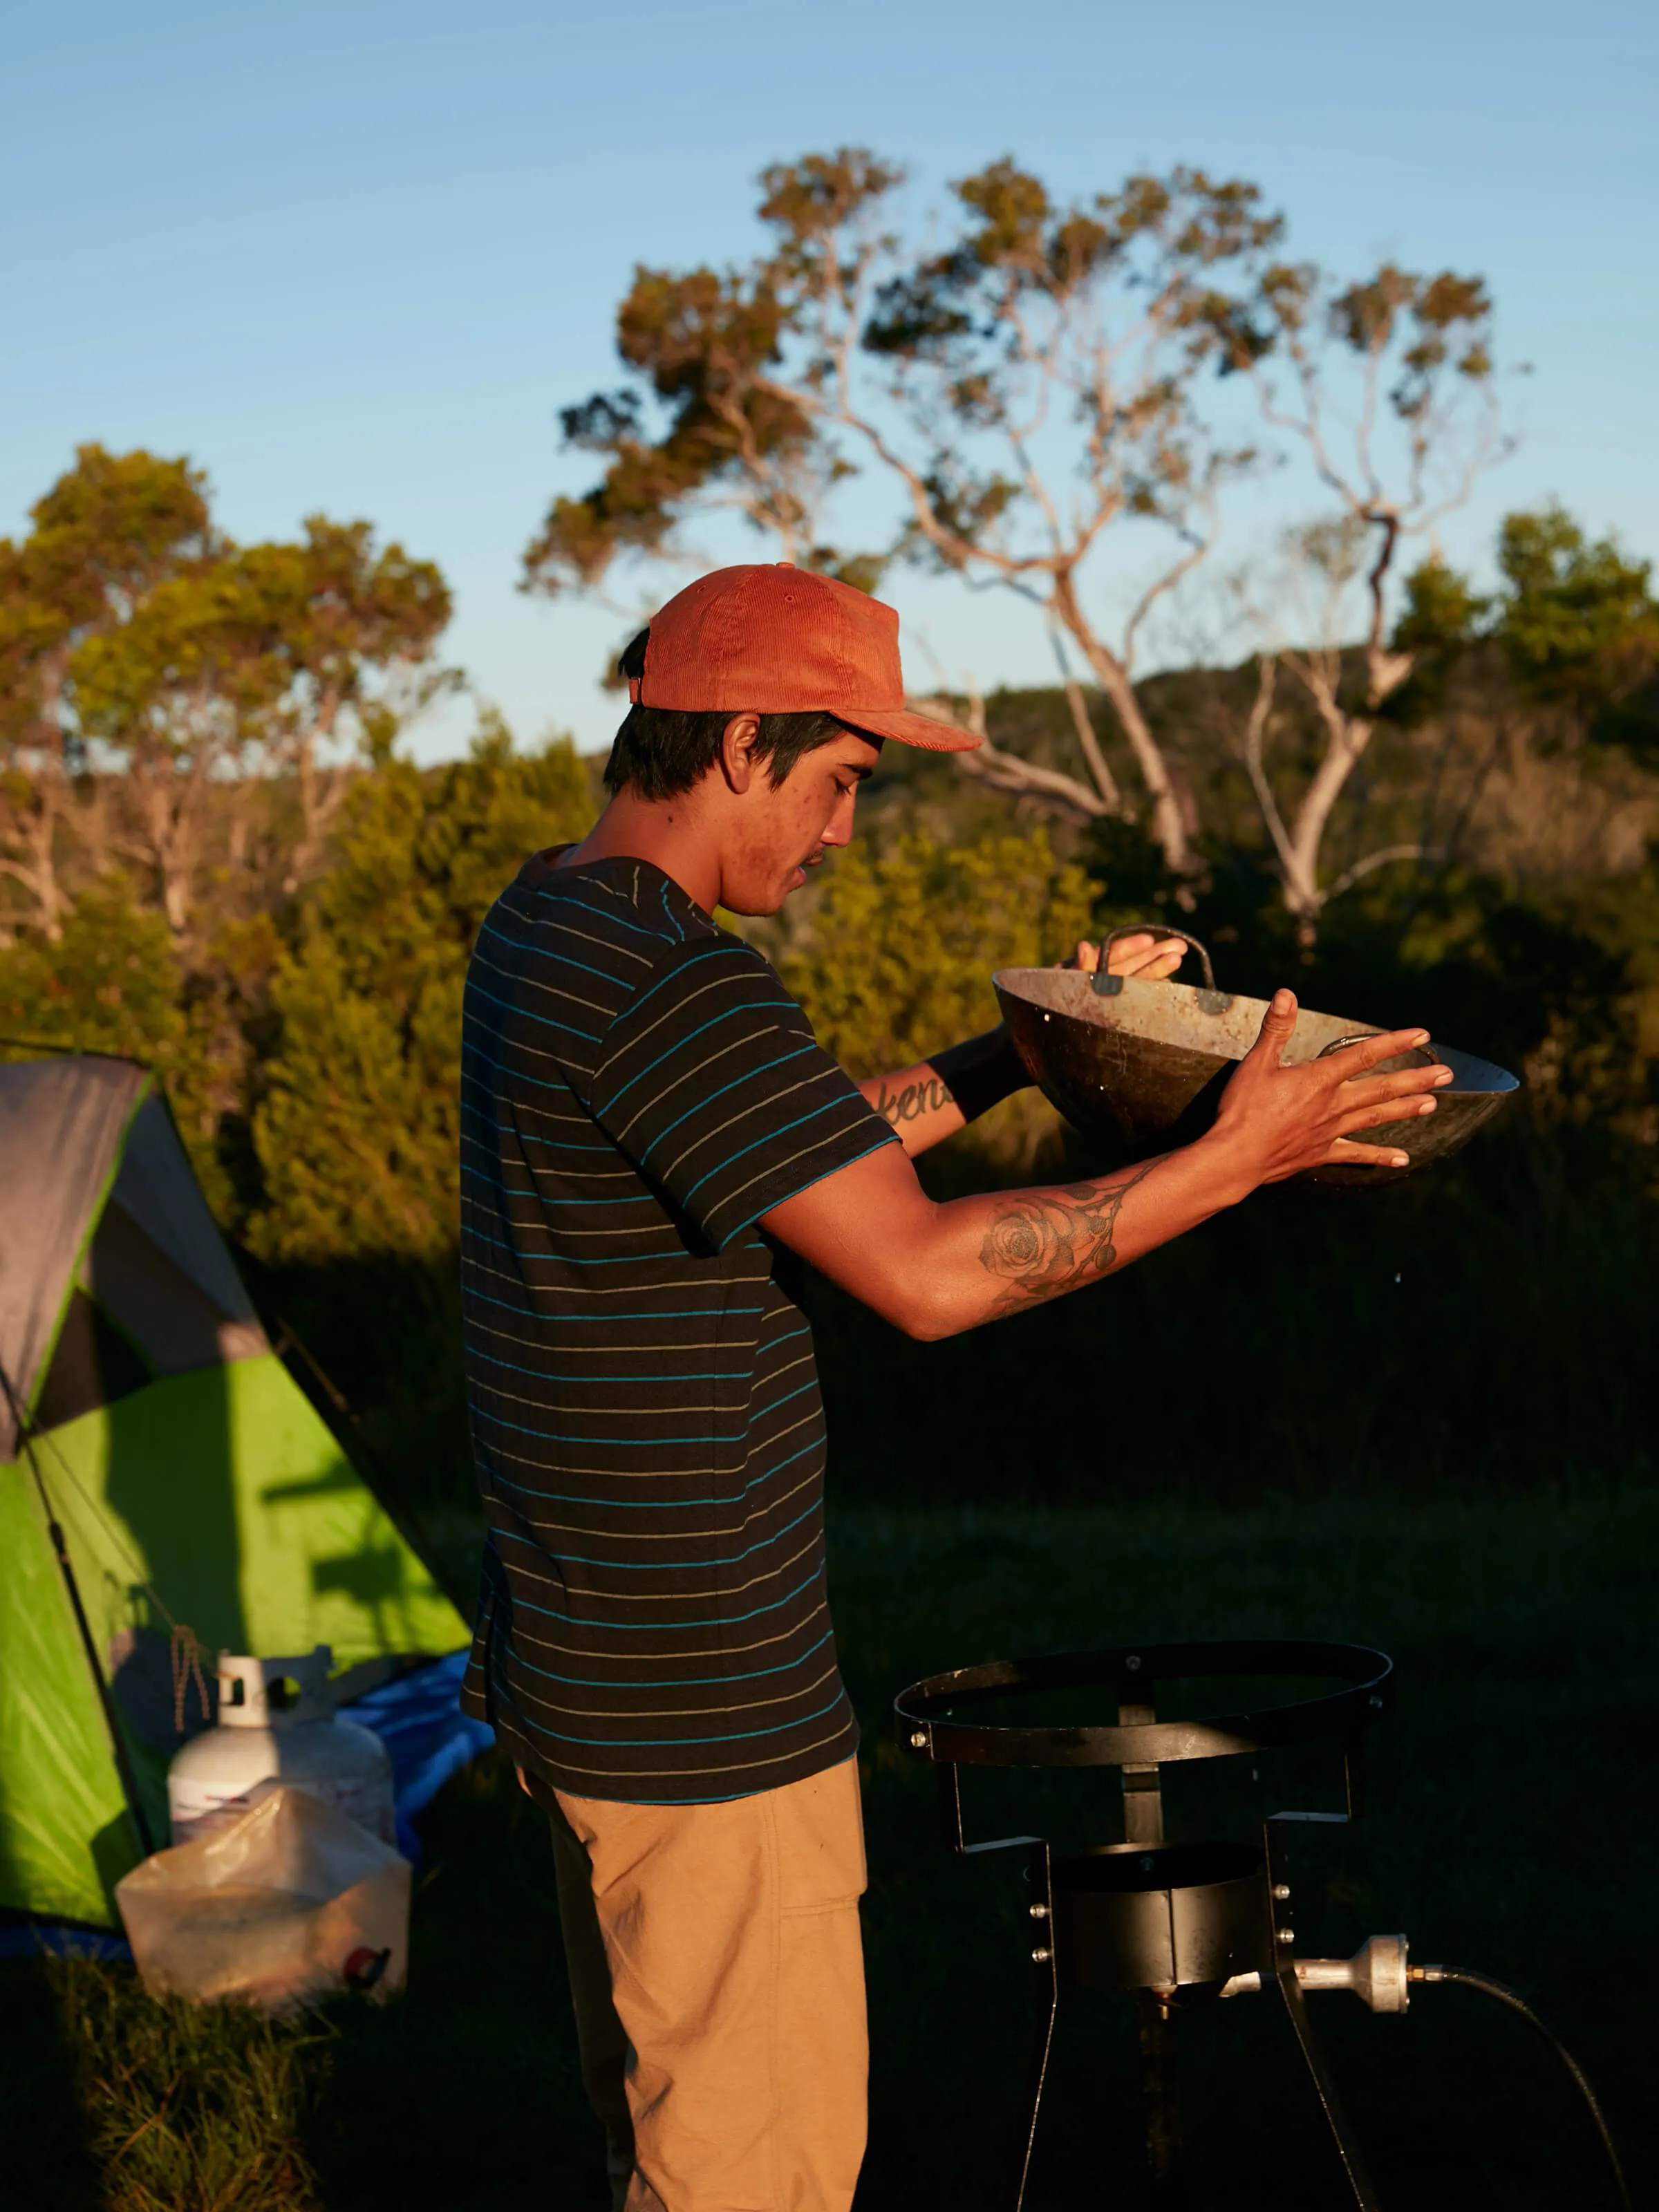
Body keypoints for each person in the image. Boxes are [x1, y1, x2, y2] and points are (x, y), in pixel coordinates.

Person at [457, 564, 1449, 2212]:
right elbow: (920, 1274)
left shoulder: (554, 921)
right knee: (746, 2187)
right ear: (742, 741)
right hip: (705, 1724)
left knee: (656, 2143)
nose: (844, 829)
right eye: (840, 780)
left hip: (580, 1676)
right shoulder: (676, 981)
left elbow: (798, 1147)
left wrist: (1022, 1055)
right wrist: (1234, 1157)